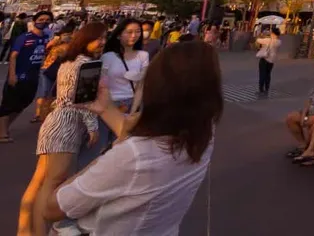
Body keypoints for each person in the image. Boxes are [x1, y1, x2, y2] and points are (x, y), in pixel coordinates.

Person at [43, 41, 223, 235]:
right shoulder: (202, 134)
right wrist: (106, 108)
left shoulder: (132, 155)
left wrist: (113, 150)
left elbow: (53, 208)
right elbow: (142, 139)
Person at [17, 22, 105, 236]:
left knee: (40, 181)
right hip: (67, 126)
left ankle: (24, 228)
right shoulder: (87, 65)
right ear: (85, 40)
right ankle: (37, 231)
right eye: (98, 38)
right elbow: (82, 100)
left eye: (104, 38)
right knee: (52, 183)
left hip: (56, 121)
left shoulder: (69, 61)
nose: (102, 42)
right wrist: (93, 126)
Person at [0, 10, 53, 143]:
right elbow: (13, 56)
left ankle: (3, 127)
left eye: (47, 19)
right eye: (41, 19)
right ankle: (2, 133)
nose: (44, 22)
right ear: (35, 20)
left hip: (33, 77)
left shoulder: (47, 38)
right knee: (8, 104)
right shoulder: (24, 37)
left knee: (23, 103)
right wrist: (12, 75)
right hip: (19, 76)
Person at [98, 19, 149, 149]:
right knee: (101, 148)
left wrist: (133, 110)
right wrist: (109, 108)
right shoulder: (108, 56)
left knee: (120, 147)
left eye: (138, 32)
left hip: (130, 104)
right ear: (119, 34)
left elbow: (140, 87)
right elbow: (102, 85)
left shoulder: (143, 56)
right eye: (129, 32)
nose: (134, 35)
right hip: (107, 105)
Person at [34, 21, 77, 123]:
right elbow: (46, 48)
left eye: (69, 35)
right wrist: (56, 41)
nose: (67, 36)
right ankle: (38, 114)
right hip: (48, 68)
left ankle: (46, 114)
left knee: (52, 93)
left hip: (59, 69)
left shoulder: (72, 43)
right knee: (44, 92)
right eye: (65, 35)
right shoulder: (57, 40)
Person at [256, 26, 281, 95]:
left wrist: (261, 35)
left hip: (264, 58)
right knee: (268, 74)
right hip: (272, 60)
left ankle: (261, 89)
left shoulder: (267, 40)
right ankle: (267, 88)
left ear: (273, 33)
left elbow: (258, 40)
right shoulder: (279, 42)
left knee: (262, 74)